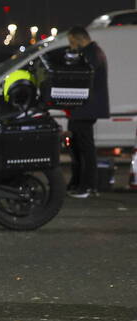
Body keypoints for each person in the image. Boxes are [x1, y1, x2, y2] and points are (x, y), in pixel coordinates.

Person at [66, 26, 109, 198]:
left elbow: (82, 78)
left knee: (85, 148)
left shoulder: (91, 54)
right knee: (78, 147)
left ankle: (87, 186)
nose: (71, 46)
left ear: (79, 38)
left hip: (86, 108)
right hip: (84, 108)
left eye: (72, 42)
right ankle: (79, 183)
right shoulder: (94, 52)